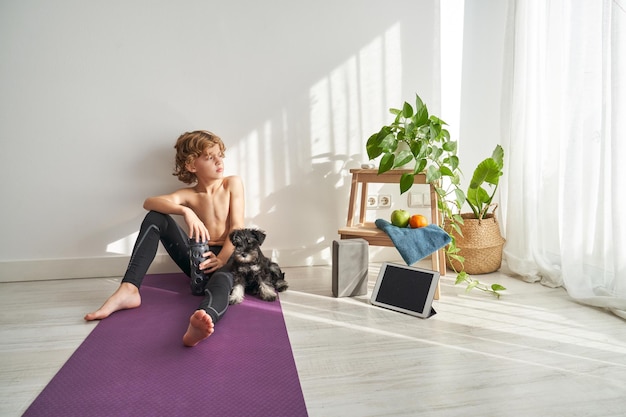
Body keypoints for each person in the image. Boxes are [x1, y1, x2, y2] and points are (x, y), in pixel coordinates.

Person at [84, 130, 245, 347]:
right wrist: (187, 212)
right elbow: (150, 202)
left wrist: (223, 258)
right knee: (155, 217)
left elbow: (237, 227)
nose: (219, 161)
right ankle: (129, 289)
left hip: (228, 256)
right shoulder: (188, 195)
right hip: (198, 258)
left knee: (222, 281)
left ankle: (202, 320)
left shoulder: (231, 184)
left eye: (219, 154)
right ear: (191, 166)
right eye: (209, 157)